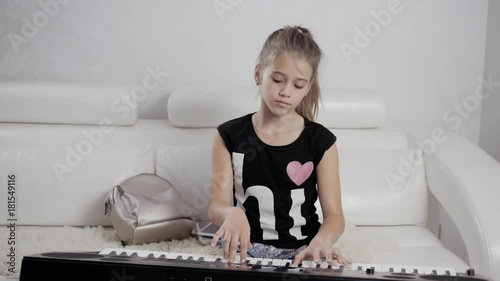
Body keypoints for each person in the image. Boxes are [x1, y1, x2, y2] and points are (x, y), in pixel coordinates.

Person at [207, 25, 347, 268]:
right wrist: (231, 213)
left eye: (298, 85)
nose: (285, 92)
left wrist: (321, 242)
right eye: (277, 79)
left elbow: (335, 216)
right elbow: (216, 205)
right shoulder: (228, 136)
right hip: (246, 248)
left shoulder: (321, 142)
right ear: (258, 73)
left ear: (308, 87)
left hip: (304, 249)